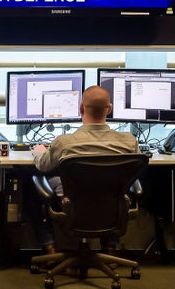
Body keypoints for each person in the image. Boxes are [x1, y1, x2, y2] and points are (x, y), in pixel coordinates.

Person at [30, 85, 140, 255]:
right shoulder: (128, 141)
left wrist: (39, 153)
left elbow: (43, 166)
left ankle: (49, 247)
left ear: (81, 108)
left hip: (71, 206)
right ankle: (110, 248)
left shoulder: (64, 142)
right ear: (109, 109)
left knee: (31, 181)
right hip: (113, 209)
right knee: (115, 187)